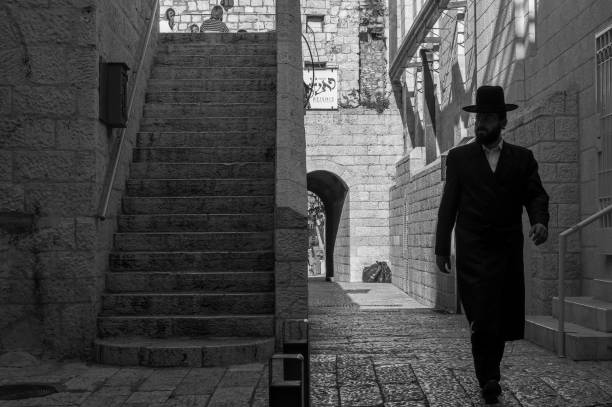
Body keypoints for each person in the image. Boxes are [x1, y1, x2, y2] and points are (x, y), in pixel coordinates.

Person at [435, 85, 549, 404]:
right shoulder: (459, 159)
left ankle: (490, 375)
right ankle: (488, 375)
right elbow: (449, 205)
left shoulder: (522, 159)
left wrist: (540, 221)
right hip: (472, 251)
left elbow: (536, 195)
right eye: (478, 118)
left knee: (498, 318)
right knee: (482, 315)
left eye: (487, 118)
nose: (480, 124)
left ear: (502, 122)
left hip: (507, 251)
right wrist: (441, 247)